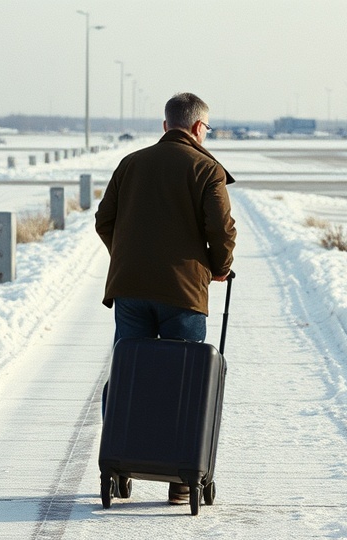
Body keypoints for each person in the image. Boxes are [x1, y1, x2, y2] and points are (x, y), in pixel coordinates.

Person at [95, 92, 236, 504]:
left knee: (127, 374)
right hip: (183, 292)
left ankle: (118, 466)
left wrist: (130, 257)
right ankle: (181, 479)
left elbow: (104, 220)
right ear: (198, 128)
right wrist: (218, 267)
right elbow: (221, 229)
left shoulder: (131, 163)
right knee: (184, 380)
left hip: (131, 289)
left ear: (165, 125)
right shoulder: (206, 168)